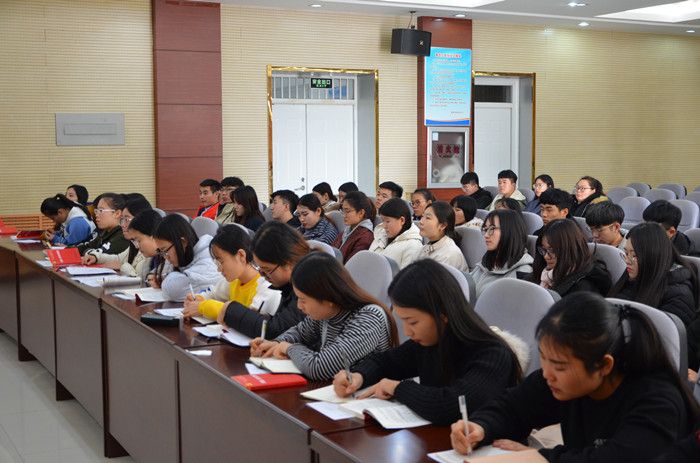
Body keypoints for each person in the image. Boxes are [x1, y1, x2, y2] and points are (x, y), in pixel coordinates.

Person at [449, 292, 700, 462]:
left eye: (559, 366)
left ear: (604, 365)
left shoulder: (658, 402)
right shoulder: (564, 380)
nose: (546, 373)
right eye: (543, 358)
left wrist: (541, 458)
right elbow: (513, 406)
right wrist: (481, 427)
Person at [333, 259, 522, 425]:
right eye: (403, 321)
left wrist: (397, 388)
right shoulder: (431, 341)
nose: (407, 332)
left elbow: (452, 405)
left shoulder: (493, 354)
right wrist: (359, 376)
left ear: (443, 315)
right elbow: (385, 362)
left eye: (413, 322)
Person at [250, 252, 396, 381]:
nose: (299, 306)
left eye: (303, 300)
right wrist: (275, 344)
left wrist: (287, 348)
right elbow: (300, 332)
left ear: (327, 298)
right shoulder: (326, 312)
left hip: (362, 397)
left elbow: (320, 367)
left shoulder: (369, 318)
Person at [219, 221, 310, 339]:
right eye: (260, 269)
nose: (262, 276)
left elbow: (277, 330)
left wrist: (231, 310)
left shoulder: (309, 285)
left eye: (267, 270)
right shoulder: (290, 283)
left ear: (288, 263)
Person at [183, 224, 281, 321]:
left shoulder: (266, 285)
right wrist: (198, 299)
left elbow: (250, 319)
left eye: (221, 262)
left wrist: (204, 307)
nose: (219, 269)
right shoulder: (234, 281)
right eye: (216, 263)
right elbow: (212, 293)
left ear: (241, 255)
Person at [609, 222, 697, 327]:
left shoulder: (678, 295)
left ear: (653, 256)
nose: (627, 260)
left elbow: (665, 333)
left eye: (634, 255)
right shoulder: (634, 275)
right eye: (626, 253)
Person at [152, 214, 224, 302]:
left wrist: (165, 279)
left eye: (165, 250)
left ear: (183, 242)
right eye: (162, 252)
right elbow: (162, 275)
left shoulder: (208, 261)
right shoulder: (184, 256)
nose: (166, 257)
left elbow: (173, 290)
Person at [531, 219, 611, 297]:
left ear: (569, 249)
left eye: (552, 250)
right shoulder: (544, 272)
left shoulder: (583, 288)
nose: (546, 256)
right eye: (543, 250)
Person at [471, 210, 533, 298]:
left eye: (492, 229)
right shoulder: (487, 260)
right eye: (485, 229)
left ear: (510, 231)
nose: (486, 235)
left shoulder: (523, 272)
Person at [84, 196, 152, 276]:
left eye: (126, 219)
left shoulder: (149, 246)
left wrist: (122, 266)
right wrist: (96, 257)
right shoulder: (133, 243)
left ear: (141, 219)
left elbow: (142, 279)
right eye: (122, 220)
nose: (122, 225)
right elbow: (118, 258)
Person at [369, 198, 422, 269]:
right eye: (383, 220)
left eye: (387, 221)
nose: (384, 226)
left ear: (402, 220)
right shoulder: (381, 234)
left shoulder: (413, 246)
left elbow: (407, 274)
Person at [416, 201, 468, 271]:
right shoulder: (427, 246)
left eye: (427, 218)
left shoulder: (449, 254)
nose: (421, 222)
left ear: (442, 225)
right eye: (422, 216)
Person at [76, 193, 131, 257]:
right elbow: (85, 247)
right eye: (96, 211)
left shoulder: (123, 236)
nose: (96, 215)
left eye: (101, 210)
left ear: (117, 214)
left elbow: (99, 255)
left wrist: (87, 251)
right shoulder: (104, 232)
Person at [125, 210, 168, 286]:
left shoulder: (171, 261)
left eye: (139, 240)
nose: (137, 246)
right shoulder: (148, 262)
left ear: (153, 235)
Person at [332, 191, 375, 263]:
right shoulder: (347, 230)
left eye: (347, 211)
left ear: (361, 213)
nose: (344, 215)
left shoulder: (365, 237)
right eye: (343, 210)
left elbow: (351, 264)